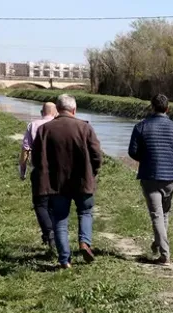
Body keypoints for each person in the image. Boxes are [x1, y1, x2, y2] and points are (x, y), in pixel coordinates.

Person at [32, 94, 103, 269]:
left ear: (57, 109)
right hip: (82, 180)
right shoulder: (85, 128)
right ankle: (84, 242)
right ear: (74, 109)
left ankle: (64, 260)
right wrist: (92, 171)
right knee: (85, 212)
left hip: (56, 183)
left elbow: (36, 158)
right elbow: (97, 156)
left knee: (60, 220)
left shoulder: (44, 130)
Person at [128, 93, 173, 265]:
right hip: (170, 178)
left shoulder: (141, 127)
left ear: (152, 107)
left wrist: (146, 158)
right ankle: (158, 244)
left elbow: (132, 152)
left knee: (157, 215)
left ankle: (164, 254)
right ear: (167, 109)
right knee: (163, 214)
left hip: (149, 177)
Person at [19, 101, 58, 246]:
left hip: (39, 169)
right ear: (56, 112)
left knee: (40, 204)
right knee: (54, 203)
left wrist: (22, 170)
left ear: (42, 113)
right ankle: (55, 232)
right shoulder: (60, 125)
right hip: (58, 170)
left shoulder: (33, 125)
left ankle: (49, 232)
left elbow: (25, 149)